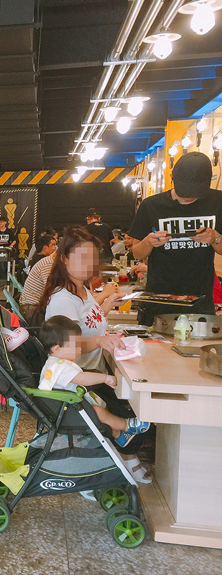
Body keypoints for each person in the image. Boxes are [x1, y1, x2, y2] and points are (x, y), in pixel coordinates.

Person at [128, 152, 222, 324]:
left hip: (200, 301)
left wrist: (215, 238)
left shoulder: (218, 202)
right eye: (184, 190)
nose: (188, 197)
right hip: (159, 300)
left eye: (195, 192)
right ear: (172, 177)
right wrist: (149, 242)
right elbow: (136, 252)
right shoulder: (151, 206)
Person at [39, 316, 151, 448]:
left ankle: (118, 435)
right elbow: (81, 378)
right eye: (75, 346)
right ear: (56, 348)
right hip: (65, 413)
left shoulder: (52, 364)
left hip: (62, 409)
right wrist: (105, 378)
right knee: (97, 411)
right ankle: (127, 426)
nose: (80, 350)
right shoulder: (60, 367)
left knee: (99, 407)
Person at [38, 226, 124, 372]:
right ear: (64, 259)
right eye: (82, 257)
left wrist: (110, 302)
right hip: (78, 379)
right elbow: (66, 345)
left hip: (93, 372)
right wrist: (100, 340)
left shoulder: (81, 288)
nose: (88, 263)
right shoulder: (63, 299)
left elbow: (90, 320)